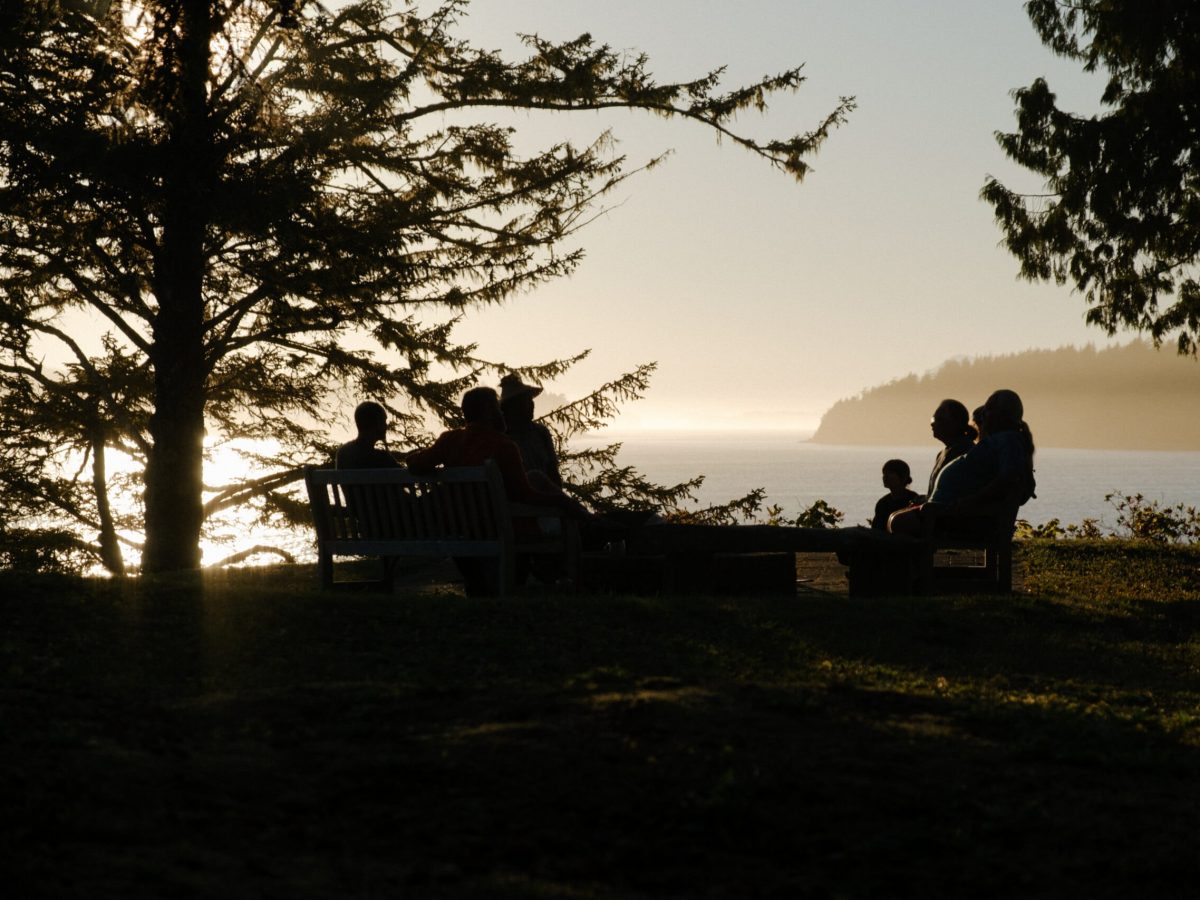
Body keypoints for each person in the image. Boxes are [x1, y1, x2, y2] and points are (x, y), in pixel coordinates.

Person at [406, 386, 594, 593]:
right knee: (565, 520)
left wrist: (415, 456)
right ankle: (573, 582)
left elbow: (416, 463)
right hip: (501, 527)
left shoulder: (449, 440)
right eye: (497, 408)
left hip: (463, 527)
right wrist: (561, 502)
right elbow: (524, 495)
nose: (501, 412)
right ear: (489, 411)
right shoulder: (504, 446)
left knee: (537, 479)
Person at [889, 389, 1035, 536]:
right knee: (896, 518)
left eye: (989, 409)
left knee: (898, 522)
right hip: (953, 512)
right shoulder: (1000, 441)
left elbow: (1008, 479)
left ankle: (914, 558)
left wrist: (964, 504)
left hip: (962, 517)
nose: (984, 414)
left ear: (1003, 415)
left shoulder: (1009, 441)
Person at [499, 373, 562, 487]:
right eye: (526, 401)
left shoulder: (541, 432)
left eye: (531, 401)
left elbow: (553, 472)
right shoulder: (501, 438)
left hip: (546, 497)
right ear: (511, 407)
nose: (532, 405)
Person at [925, 399, 977, 499]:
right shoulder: (942, 453)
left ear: (954, 423)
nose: (932, 424)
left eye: (938, 419)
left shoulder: (965, 452)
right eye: (933, 418)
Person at [336, 400, 400, 469]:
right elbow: (405, 476)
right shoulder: (382, 459)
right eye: (383, 421)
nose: (386, 426)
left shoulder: (343, 453)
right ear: (374, 424)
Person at [872, 459, 920, 531]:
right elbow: (876, 529)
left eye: (890, 473)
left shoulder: (914, 500)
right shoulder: (882, 503)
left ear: (902, 477)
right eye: (884, 474)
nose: (885, 477)